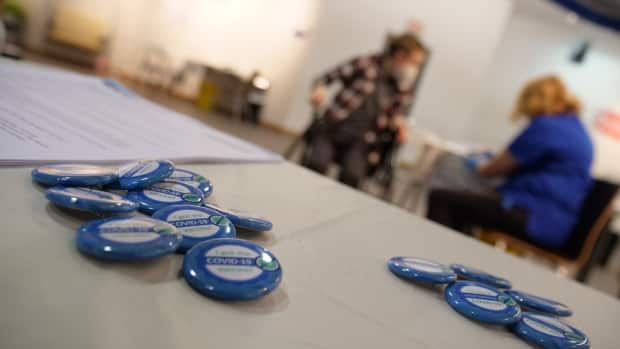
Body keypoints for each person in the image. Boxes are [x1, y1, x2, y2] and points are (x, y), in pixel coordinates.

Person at [427, 75, 593, 249]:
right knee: (469, 204)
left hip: (533, 216)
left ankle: (438, 259)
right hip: (557, 222)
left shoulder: (547, 126)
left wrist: (480, 162)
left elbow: (492, 170)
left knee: (442, 198)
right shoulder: (577, 129)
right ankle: (456, 260)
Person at [303, 33, 426, 188]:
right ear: (401, 55)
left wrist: (400, 125)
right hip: (333, 127)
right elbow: (324, 79)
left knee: (352, 177)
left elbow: (398, 113)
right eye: (414, 63)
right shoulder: (365, 63)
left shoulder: (404, 85)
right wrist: (319, 91)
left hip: (363, 140)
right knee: (316, 165)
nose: (415, 69)